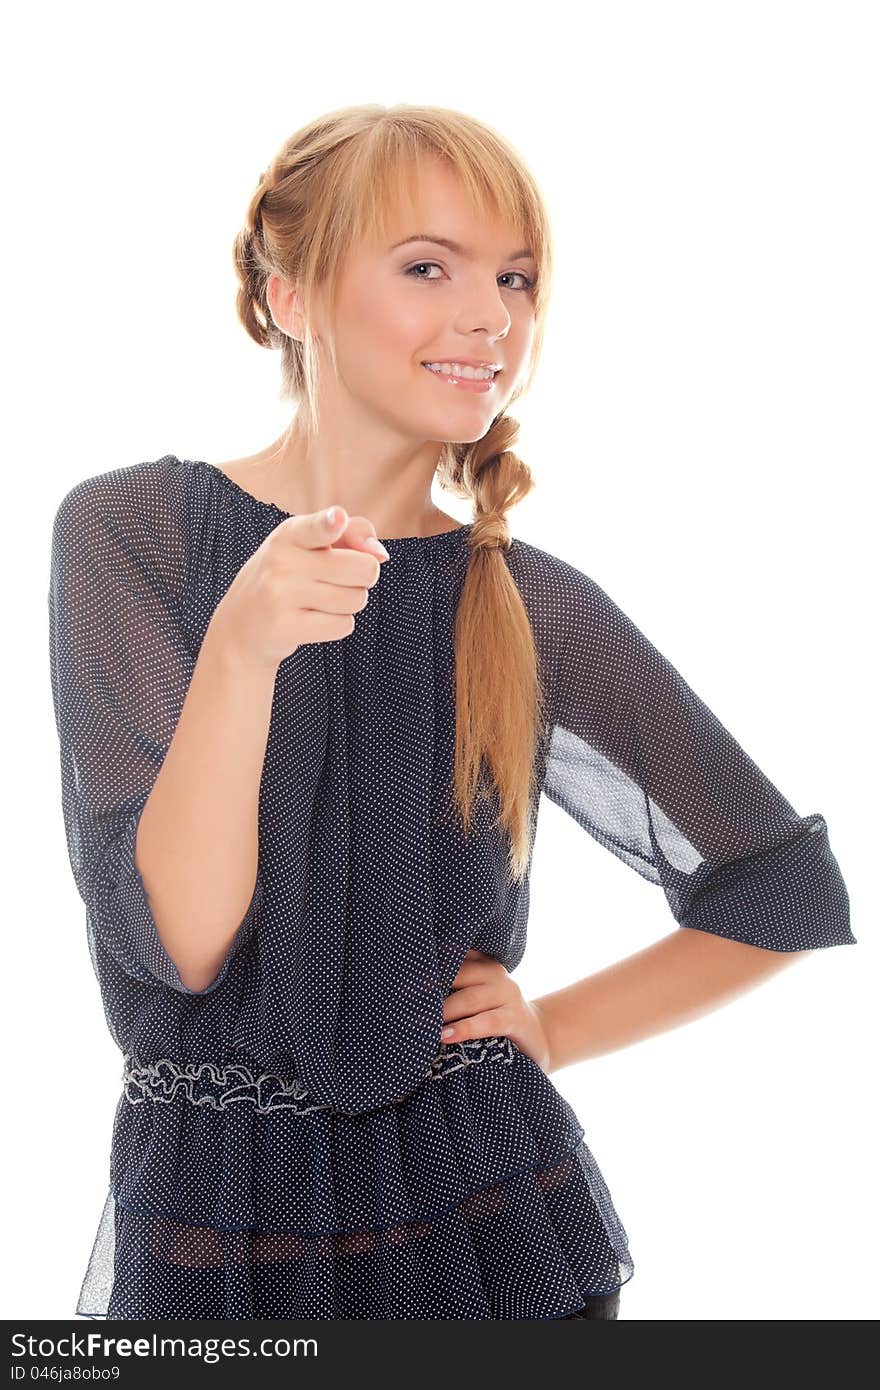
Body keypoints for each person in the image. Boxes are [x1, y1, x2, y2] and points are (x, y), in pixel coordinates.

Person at [47, 103, 856, 1322]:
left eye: (516, 279)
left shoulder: (526, 603)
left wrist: (549, 1027)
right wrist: (242, 648)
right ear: (290, 297)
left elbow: (780, 888)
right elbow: (183, 942)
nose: (492, 316)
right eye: (428, 266)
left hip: (483, 1222)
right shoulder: (132, 533)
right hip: (220, 1224)